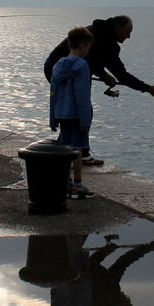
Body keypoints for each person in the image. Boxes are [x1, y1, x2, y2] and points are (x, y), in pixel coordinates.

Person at [44, 15, 154, 165]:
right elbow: (121, 74)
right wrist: (148, 89)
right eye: (128, 32)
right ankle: (76, 154)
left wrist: (103, 75)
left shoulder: (98, 32)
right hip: (60, 68)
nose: (129, 37)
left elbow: (91, 59)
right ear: (118, 29)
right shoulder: (106, 42)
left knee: (69, 111)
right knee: (81, 111)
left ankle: (68, 152)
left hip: (54, 66)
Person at [49, 26, 96, 200]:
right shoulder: (82, 66)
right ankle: (77, 185)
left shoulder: (58, 65)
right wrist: (86, 120)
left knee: (65, 149)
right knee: (77, 150)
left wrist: (52, 119)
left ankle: (66, 182)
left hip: (61, 113)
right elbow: (82, 94)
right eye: (88, 48)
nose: (88, 51)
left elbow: (53, 93)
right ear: (83, 46)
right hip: (76, 115)